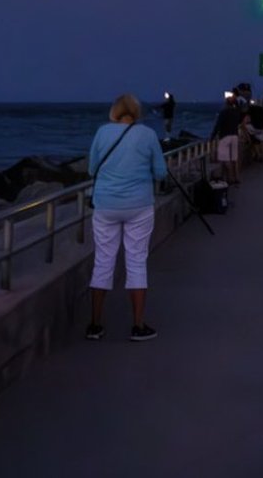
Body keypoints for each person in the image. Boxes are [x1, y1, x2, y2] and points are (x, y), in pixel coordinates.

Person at [85, 93, 167, 343]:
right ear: (136, 112)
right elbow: (161, 172)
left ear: (115, 111)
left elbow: (91, 169)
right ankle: (138, 325)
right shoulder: (148, 135)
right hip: (139, 206)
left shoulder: (102, 132)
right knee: (136, 262)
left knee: (103, 261)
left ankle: (95, 325)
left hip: (106, 205)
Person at [213, 95, 248, 185]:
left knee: (224, 159)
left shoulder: (223, 112)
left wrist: (212, 136)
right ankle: (236, 178)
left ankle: (230, 177)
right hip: (234, 136)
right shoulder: (236, 112)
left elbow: (218, 125)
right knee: (234, 159)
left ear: (226, 103)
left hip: (225, 136)